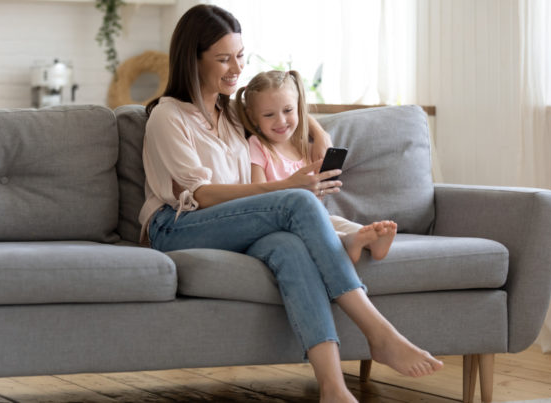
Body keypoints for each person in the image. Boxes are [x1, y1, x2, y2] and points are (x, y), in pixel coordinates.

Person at [140, 4, 443, 402]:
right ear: (192, 60)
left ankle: (333, 387)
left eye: (241, 55)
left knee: (290, 247)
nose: (236, 67)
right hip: (176, 225)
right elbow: (201, 195)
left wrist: (313, 133)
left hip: (231, 225)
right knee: (295, 201)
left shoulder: (232, 115)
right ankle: (379, 333)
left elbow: (289, 115)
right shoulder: (168, 116)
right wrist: (284, 188)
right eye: (223, 58)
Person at [236, 70, 398, 264]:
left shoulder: (304, 146)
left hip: (315, 215)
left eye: (288, 110)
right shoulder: (258, 145)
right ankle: (347, 241)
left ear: (298, 108)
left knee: (338, 222)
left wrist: (320, 190)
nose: (281, 121)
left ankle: (369, 239)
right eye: (269, 115)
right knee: (321, 228)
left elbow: (316, 193)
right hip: (280, 222)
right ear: (253, 118)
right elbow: (258, 196)